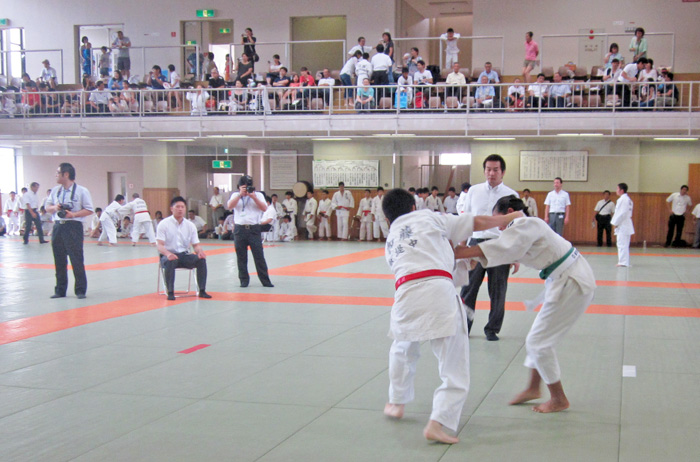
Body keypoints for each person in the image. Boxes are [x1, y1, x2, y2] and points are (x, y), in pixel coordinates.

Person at [381, 188, 522, 444]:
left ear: (388, 219)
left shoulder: (391, 241)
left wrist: (461, 259)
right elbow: (475, 223)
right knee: (454, 365)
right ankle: (439, 422)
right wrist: (507, 219)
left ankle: (396, 401)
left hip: (404, 296)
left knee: (402, 348)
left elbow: (431, 261)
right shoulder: (429, 217)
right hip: (438, 294)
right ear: (414, 207)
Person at [454, 195, 596, 414]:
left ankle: (559, 398)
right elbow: (505, 251)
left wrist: (460, 252)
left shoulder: (526, 223)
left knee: (539, 342)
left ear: (509, 211)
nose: (496, 226)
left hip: (572, 283)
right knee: (538, 338)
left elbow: (504, 247)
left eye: (496, 217)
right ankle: (533, 388)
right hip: (564, 280)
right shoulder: (523, 230)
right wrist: (472, 257)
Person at [460, 154, 519, 341]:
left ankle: (492, 329)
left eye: (495, 170)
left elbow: (516, 228)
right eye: (488, 169)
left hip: (500, 246)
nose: (491, 173)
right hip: (476, 243)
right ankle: (463, 327)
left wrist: (514, 256)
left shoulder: (512, 195)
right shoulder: (474, 191)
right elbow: (466, 220)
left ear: (503, 172)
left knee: (498, 290)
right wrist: (462, 247)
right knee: (468, 289)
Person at [45, 162, 94, 299]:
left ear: (66, 174)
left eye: (58, 172)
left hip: (73, 226)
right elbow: (47, 207)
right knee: (59, 259)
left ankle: (80, 290)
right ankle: (60, 290)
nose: (56, 175)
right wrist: (56, 207)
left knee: (76, 258)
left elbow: (89, 209)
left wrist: (73, 214)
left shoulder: (82, 191)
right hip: (58, 226)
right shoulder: (55, 191)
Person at [156, 196, 212, 301]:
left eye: (182, 207)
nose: (180, 209)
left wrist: (200, 252)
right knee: (170, 261)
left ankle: (202, 290)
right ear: (171, 209)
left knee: (201, 260)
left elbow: (196, 245)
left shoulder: (190, 225)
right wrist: (168, 254)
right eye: (177, 207)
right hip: (168, 255)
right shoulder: (163, 224)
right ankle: (170, 292)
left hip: (184, 255)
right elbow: (160, 245)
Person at [227, 175, 274, 288]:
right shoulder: (235, 195)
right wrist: (239, 195)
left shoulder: (258, 195)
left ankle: (265, 280)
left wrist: (253, 197)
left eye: (249, 186)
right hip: (240, 229)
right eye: (244, 187)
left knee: (259, 256)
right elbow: (229, 206)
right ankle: (243, 280)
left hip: (253, 229)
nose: (247, 189)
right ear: (239, 187)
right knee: (241, 256)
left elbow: (264, 208)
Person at [611, 183, 634, 267]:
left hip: (623, 224)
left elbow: (622, 213)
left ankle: (623, 262)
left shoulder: (623, 200)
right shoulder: (628, 200)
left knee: (622, 244)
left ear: (621, 190)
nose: (616, 191)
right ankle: (624, 261)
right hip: (625, 223)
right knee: (623, 244)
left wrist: (615, 223)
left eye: (617, 189)